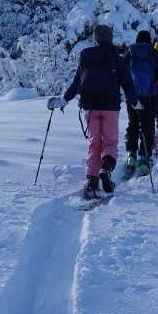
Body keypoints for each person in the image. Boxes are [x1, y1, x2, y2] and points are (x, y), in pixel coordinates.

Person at [51, 23, 136, 200]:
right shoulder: (117, 59)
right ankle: (106, 169)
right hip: (110, 108)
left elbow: (76, 84)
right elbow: (128, 85)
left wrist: (62, 101)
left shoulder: (87, 57)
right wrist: (135, 103)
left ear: (96, 39)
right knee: (110, 143)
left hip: (90, 108)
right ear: (110, 38)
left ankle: (92, 182)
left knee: (94, 145)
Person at [123, 29, 158, 177]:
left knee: (133, 124)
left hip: (132, 96)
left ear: (137, 40)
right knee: (148, 126)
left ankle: (131, 155)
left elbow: (122, 71)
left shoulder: (130, 51)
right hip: (149, 97)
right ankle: (145, 158)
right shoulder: (153, 52)